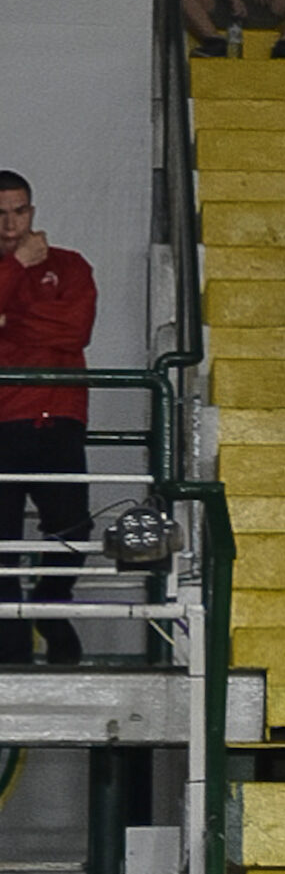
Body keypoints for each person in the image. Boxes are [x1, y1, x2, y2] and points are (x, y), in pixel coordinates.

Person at [0, 171, 96, 666]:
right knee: (1, 542)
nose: (11, 223)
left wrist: (9, 320)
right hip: (4, 419)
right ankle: (11, 645)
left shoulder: (70, 265)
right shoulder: (17, 264)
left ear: (32, 212)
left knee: (73, 527)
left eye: (19, 211)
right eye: (1, 214)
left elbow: (75, 330)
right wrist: (16, 266)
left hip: (59, 415)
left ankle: (51, 608)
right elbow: (60, 330)